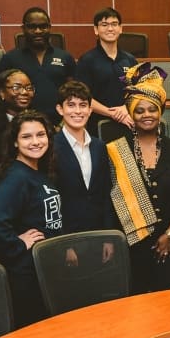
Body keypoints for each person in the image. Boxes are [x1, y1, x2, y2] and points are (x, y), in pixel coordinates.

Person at [106, 64, 170, 293]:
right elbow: (109, 201)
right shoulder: (117, 151)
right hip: (130, 244)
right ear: (132, 114)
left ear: (160, 111)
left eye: (152, 109)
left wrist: (169, 235)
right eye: (140, 110)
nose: (147, 115)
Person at [0, 111, 63, 327]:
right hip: (25, 275)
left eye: (40, 135)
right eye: (27, 137)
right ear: (15, 143)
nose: (36, 142)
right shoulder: (17, 177)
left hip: (44, 270)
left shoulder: (38, 172)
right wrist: (19, 243)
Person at [53, 80, 112, 234]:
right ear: (60, 109)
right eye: (71, 105)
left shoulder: (99, 146)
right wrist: (64, 242)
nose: (78, 111)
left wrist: (108, 235)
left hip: (98, 231)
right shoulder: (50, 147)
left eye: (83, 105)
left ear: (90, 110)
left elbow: (106, 193)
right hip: (66, 233)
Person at [0, 7, 76, 123]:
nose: (38, 31)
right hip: (22, 123)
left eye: (43, 26)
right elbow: (1, 92)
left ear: (49, 28)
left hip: (59, 122)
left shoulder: (65, 57)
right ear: (23, 29)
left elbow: (73, 91)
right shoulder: (10, 58)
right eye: (32, 27)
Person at [76, 7, 138, 136]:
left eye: (114, 24)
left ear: (121, 28)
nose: (110, 29)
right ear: (96, 30)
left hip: (128, 121)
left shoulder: (130, 60)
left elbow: (138, 92)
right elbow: (83, 97)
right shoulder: (87, 60)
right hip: (98, 125)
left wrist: (126, 108)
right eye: (104, 24)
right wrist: (111, 113)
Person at [0, 69, 35, 168]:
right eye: (17, 87)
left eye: (29, 88)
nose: (24, 92)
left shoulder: (39, 122)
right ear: (2, 92)